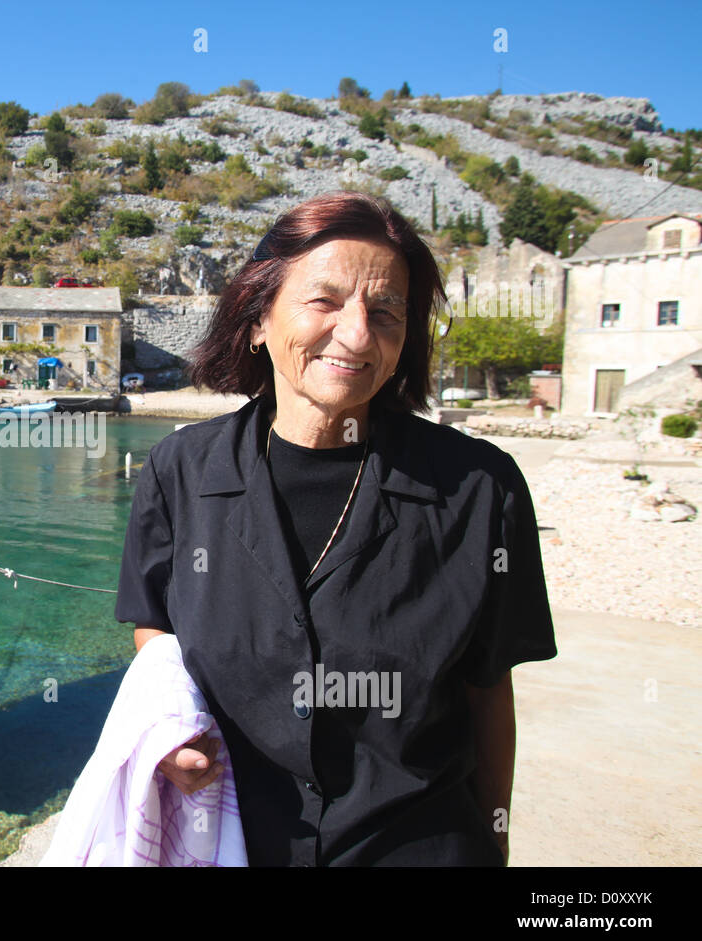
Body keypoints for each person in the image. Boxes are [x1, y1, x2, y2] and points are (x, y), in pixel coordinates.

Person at [115, 192, 556, 866]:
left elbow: (489, 689)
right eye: (324, 302)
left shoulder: (480, 490)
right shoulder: (180, 471)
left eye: (385, 313)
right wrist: (167, 734)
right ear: (258, 317)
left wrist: (495, 845)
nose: (356, 335)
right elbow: (154, 628)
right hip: (232, 842)